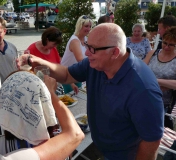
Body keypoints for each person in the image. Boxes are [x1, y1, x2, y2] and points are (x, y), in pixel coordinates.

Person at [18, 23, 164, 159]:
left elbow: (151, 141)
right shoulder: (96, 63)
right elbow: (67, 74)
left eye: (92, 48)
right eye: (87, 45)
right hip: (103, 147)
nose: (87, 53)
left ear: (114, 52)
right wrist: (38, 61)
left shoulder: (143, 89)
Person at [144, 27, 176, 130]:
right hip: (144, 97)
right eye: (165, 43)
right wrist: (165, 84)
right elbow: (140, 72)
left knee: (154, 130)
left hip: (162, 103)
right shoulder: (152, 53)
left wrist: (155, 81)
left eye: (171, 45)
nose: (166, 47)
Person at [61, 15, 93, 94]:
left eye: (90, 26)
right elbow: (81, 60)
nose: (88, 29)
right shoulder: (75, 41)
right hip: (67, 75)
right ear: (79, 26)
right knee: (72, 101)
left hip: (76, 73)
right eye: (86, 26)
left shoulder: (85, 38)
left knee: (79, 97)